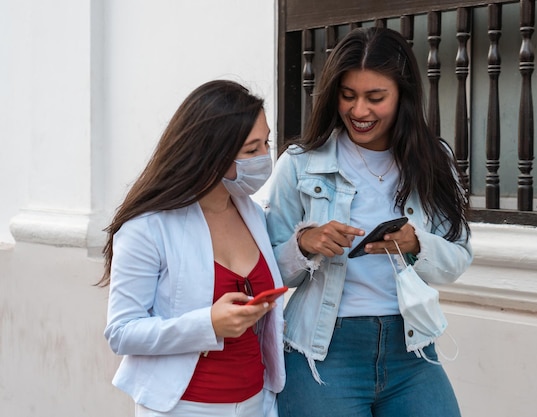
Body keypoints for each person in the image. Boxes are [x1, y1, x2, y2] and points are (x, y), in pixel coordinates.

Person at [265, 27, 472, 417]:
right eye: (348, 96)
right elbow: (267, 272)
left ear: (403, 96)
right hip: (324, 352)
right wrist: (305, 244)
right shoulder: (299, 164)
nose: (359, 111)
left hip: (411, 349)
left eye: (376, 98)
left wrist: (417, 245)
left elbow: (459, 257)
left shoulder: (433, 160)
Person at [98, 80, 285, 417]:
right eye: (250, 149)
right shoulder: (148, 226)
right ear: (212, 153)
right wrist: (208, 325)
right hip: (185, 407)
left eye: (266, 143)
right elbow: (122, 332)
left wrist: (306, 245)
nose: (264, 158)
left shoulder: (252, 213)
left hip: (256, 400)